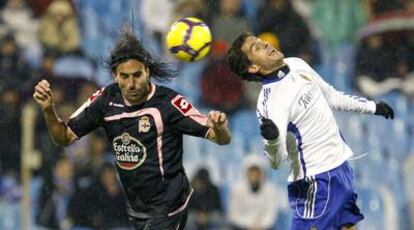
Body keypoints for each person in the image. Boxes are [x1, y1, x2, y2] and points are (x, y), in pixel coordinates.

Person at [33, 27, 231, 230]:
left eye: (137, 75)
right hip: (136, 208)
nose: (131, 84)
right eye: (124, 76)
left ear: (148, 72)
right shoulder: (106, 100)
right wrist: (49, 110)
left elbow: (220, 138)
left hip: (169, 206)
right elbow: (63, 138)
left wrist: (220, 127)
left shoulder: (168, 103)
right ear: (114, 75)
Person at [226, 32, 394, 230]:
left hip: (340, 165)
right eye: (256, 47)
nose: (265, 44)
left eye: (260, 40)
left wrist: (372, 107)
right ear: (253, 67)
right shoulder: (269, 103)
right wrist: (271, 140)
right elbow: (275, 161)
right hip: (315, 179)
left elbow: (331, 96)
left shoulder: (296, 64)